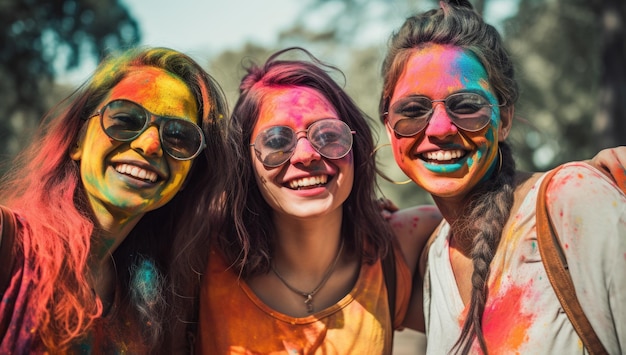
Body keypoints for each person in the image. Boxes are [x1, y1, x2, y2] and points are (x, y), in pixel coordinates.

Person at [379, 1, 625, 354]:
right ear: (390, 130)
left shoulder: (573, 203)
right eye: (413, 111)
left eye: (466, 105)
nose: (439, 129)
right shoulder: (433, 258)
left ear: (504, 120)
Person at [193, 47, 442, 354]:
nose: (307, 155)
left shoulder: (403, 247)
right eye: (276, 141)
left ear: (356, 145)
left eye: (327, 135)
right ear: (245, 162)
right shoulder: (199, 255)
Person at [0, 47, 230, 353]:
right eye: (124, 118)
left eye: (178, 136)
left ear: (188, 175)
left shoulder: (149, 309)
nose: (150, 145)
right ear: (77, 140)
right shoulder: (9, 246)